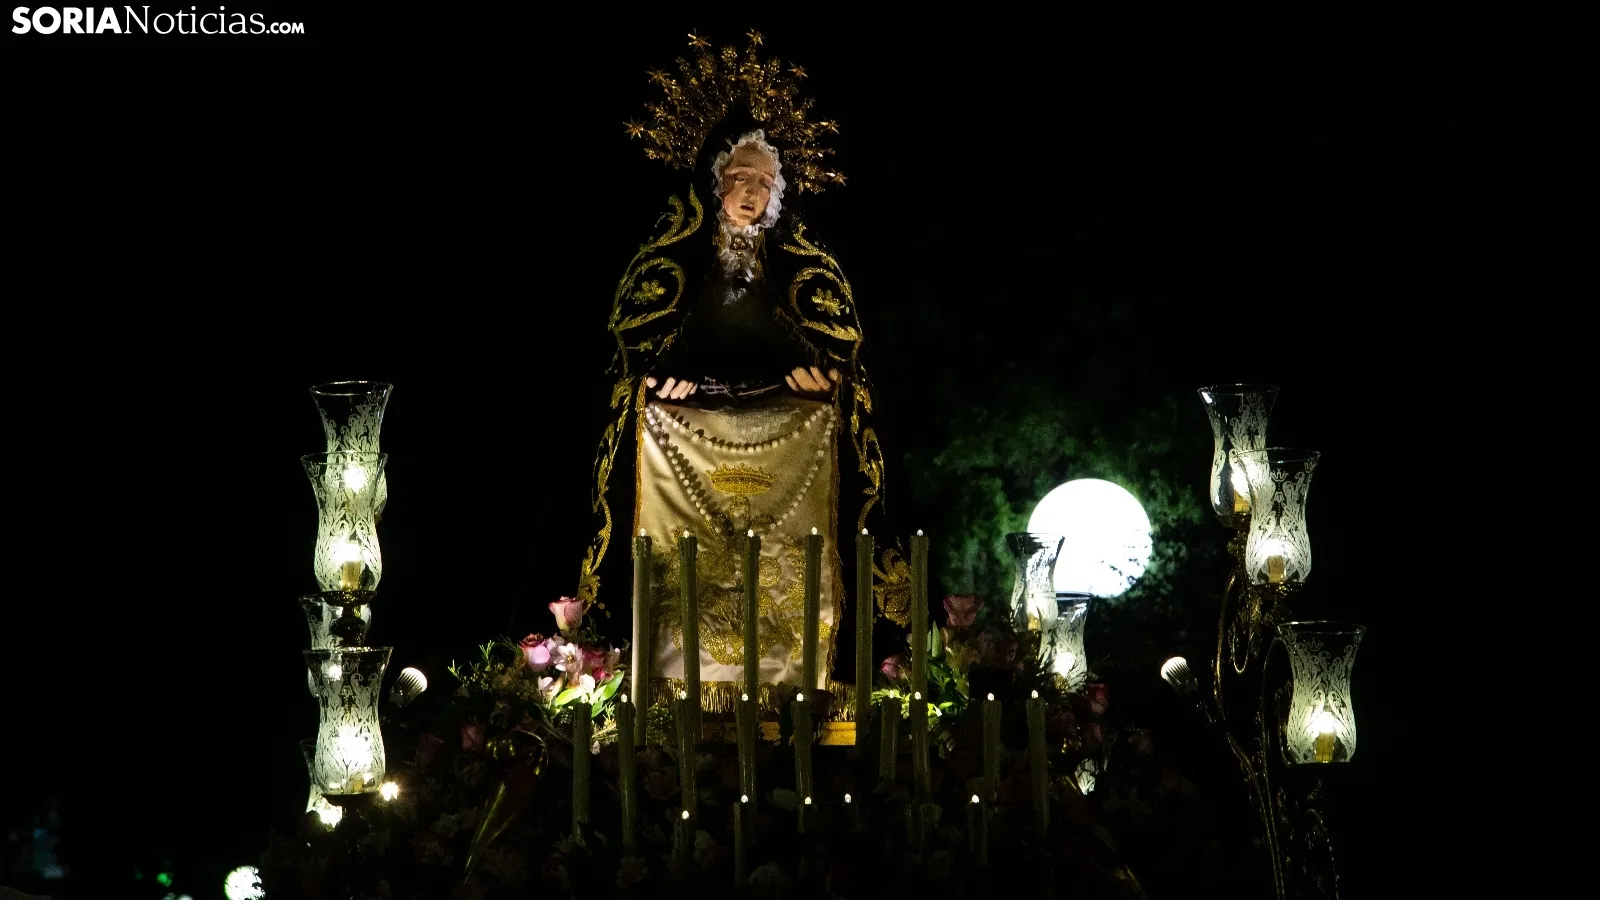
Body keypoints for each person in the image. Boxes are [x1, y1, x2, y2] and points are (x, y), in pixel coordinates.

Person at [572, 35, 912, 714]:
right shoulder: (672, 263)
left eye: (763, 181)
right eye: (740, 177)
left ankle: (792, 692)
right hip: (682, 440)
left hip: (789, 445)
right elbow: (637, 344)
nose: (750, 191)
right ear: (714, 182)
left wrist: (826, 381)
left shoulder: (804, 270)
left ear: (778, 193)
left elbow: (839, 349)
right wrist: (655, 380)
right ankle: (671, 690)